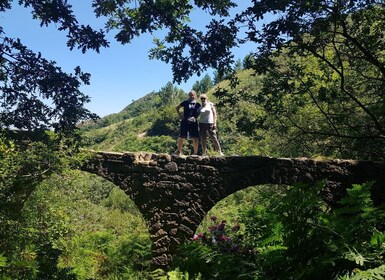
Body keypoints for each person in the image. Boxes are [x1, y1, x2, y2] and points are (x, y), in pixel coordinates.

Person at [175, 90, 201, 155]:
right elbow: (177, 108)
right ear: (188, 95)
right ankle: (178, 151)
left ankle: (195, 153)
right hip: (185, 121)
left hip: (193, 122)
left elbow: (199, 112)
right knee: (182, 136)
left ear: (195, 95)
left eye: (193, 95)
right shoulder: (185, 102)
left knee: (195, 137)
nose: (192, 96)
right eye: (190, 95)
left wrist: (195, 117)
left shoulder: (197, 104)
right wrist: (180, 115)